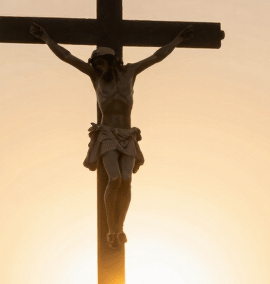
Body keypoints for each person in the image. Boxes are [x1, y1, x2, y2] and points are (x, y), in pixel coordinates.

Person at [30, 23, 194, 247]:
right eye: (95, 64)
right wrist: (46, 38)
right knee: (114, 178)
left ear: (112, 60)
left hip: (127, 134)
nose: (98, 67)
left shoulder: (130, 72)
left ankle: (120, 228)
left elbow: (157, 56)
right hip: (106, 133)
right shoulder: (95, 77)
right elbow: (67, 57)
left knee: (126, 180)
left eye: (101, 62)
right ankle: (111, 230)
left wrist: (178, 40)